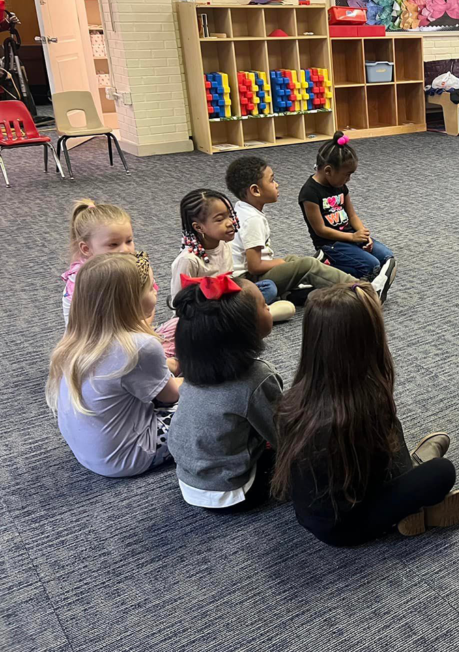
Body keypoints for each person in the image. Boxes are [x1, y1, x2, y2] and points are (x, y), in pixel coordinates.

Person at [271, 282, 459, 545]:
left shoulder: (295, 397)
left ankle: (413, 492)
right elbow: (380, 476)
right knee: (442, 472)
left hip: (311, 515)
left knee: (391, 432)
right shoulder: (364, 406)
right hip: (347, 529)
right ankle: (418, 498)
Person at [46, 252, 181, 478]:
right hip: (128, 456)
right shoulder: (140, 346)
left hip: (90, 452)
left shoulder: (78, 338)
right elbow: (172, 395)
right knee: (211, 404)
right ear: (130, 302)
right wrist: (205, 375)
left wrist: (174, 366)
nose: (156, 290)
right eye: (150, 287)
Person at [168, 274, 282, 511]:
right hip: (233, 492)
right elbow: (283, 436)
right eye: (264, 305)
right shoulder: (258, 378)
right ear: (245, 330)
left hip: (188, 480)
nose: (269, 308)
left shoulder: (193, 369)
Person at [224, 156, 396, 303]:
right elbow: (254, 266)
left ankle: (299, 286)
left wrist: (288, 262)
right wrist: (283, 263)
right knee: (307, 264)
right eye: (272, 180)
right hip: (250, 281)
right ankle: (366, 293)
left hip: (248, 277)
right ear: (255, 190)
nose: (276, 185)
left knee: (295, 259)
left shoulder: (242, 209)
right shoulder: (252, 219)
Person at [62, 199, 179, 371]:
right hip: (98, 349)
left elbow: (147, 309)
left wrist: (143, 331)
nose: (125, 250)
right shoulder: (84, 284)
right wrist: (143, 344)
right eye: (113, 244)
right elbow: (97, 337)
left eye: (129, 241)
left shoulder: (137, 264)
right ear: (86, 249)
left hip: (132, 333)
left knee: (183, 326)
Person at [171, 187, 295, 323]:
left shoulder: (224, 245)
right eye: (219, 220)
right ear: (199, 227)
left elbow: (229, 282)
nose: (230, 222)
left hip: (226, 304)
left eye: (230, 215)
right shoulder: (188, 260)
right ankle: (253, 318)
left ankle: (247, 318)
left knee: (268, 288)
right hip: (202, 316)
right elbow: (180, 305)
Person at [298, 134, 396, 281]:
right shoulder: (309, 192)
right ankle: (321, 268)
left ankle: (358, 275)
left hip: (350, 236)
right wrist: (352, 237)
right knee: (372, 266)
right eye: (347, 175)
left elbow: (352, 216)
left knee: (387, 258)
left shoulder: (340, 185)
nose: (348, 180)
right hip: (331, 244)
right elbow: (321, 230)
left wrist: (363, 234)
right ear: (328, 170)